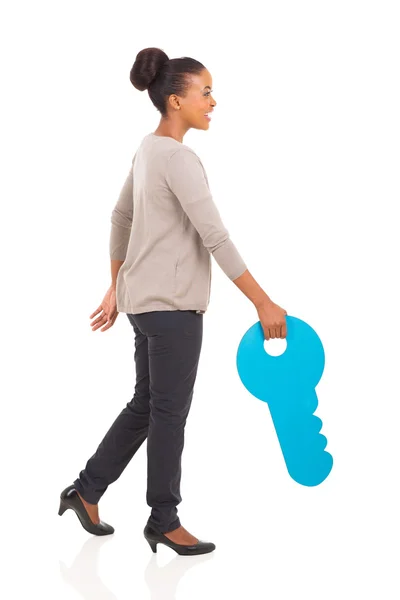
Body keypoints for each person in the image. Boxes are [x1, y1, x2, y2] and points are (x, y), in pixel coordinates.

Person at [58, 47, 287, 556]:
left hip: (144, 305)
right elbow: (216, 237)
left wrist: (117, 287)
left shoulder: (147, 149)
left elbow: (120, 218)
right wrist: (263, 303)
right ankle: (163, 518)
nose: (212, 102)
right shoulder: (178, 158)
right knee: (168, 414)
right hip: (172, 311)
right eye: (205, 93)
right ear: (176, 100)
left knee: (147, 406)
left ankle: (86, 492)